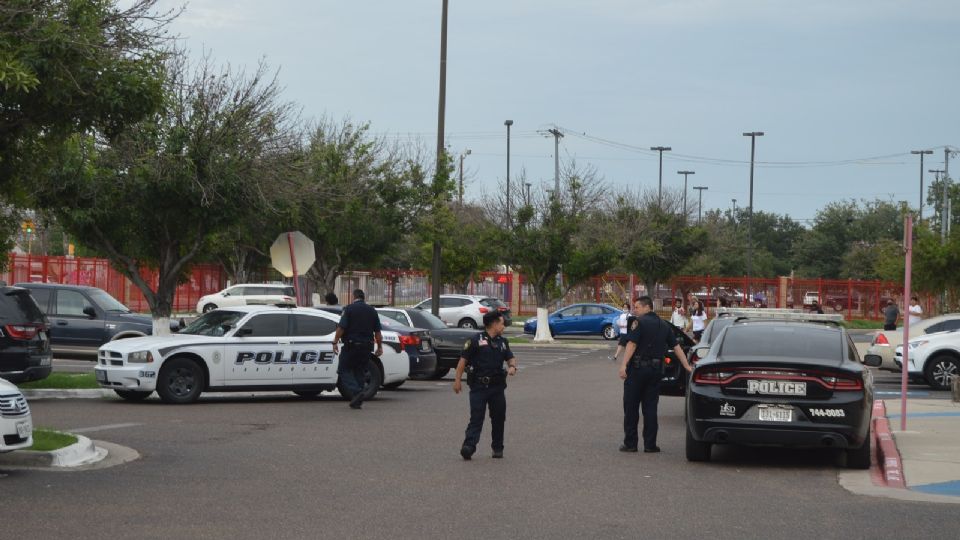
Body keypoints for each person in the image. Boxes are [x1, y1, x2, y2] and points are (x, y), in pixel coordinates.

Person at [619, 296, 693, 453]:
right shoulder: (664, 325)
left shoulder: (638, 323)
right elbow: (677, 346)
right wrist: (687, 366)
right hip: (655, 371)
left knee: (631, 406)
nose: (635, 310)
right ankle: (650, 445)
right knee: (650, 408)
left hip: (637, 370)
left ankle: (631, 444)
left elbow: (632, 344)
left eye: (637, 307)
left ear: (647, 307)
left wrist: (624, 365)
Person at [453, 311, 518, 460]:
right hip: (479, 387)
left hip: (497, 387)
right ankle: (469, 446)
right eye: (502, 323)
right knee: (476, 417)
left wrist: (513, 367)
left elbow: (511, 357)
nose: (504, 326)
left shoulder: (503, 342)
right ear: (494, 324)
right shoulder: (475, 340)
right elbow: (463, 360)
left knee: (498, 418)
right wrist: (457, 380)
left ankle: (497, 448)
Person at [332, 289, 383, 409]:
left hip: (352, 345)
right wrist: (379, 347)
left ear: (353, 297)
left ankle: (357, 391)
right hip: (367, 347)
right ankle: (357, 400)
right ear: (363, 297)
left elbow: (341, 327)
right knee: (359, 371)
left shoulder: (349, 309)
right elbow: (378, 332)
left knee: (343, 370)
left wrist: (334, 341)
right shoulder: (372, 311)